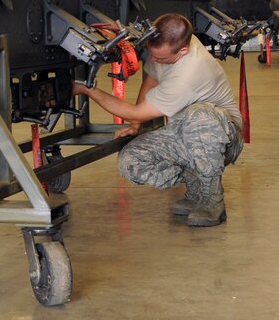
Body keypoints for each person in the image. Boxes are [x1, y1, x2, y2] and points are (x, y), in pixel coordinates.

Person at [71, 13, 243, 227]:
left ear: (183, 51)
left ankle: (212, 200)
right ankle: (196, 183)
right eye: (152, 55)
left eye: (160, 58)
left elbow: (137, 112)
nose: (154, 60)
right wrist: (135, 126)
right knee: (131, 159)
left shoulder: (189, 74)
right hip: (184, 134)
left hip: (223, 138)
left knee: (198, 116)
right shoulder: (175, 41)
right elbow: (152, 79)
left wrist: (90, 91)